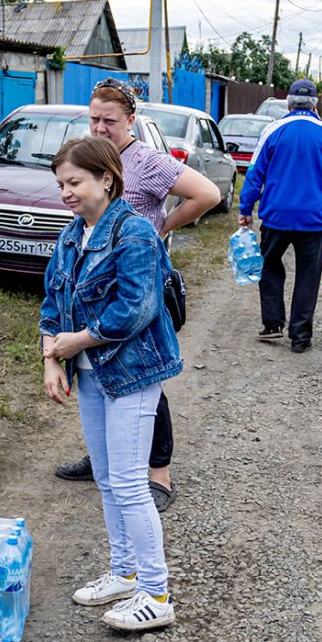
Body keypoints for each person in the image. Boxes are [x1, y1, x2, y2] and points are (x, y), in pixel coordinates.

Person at [55, 78, 220, 512]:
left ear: (131, 120)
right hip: (96, 292)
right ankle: (103, 458)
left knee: (144, 379)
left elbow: (209, 193)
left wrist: (162, 226)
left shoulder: (145, 161)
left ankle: (159, 474)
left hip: (137, 287)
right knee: (99, 376)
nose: (99, 127)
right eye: (93, 118)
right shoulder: (90, 158)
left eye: (109, 120)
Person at [40, 135, 182, 630]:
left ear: (106, 178)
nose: (66, 193)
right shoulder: (72, 234)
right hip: (90, 375)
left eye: (74, 182)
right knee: (106, 480)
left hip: (132, 373)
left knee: (128, 482)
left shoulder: (135, 233)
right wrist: (50, 358)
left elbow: (135, 310)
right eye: (60, 184)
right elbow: (51, 302)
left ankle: (156, 594)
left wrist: (74, 343)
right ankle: (124, 572)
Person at [238, 77, 322, 352]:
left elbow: (255, 174)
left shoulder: (273, 131)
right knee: (307, 275)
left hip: (276, 217)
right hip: (313, 221)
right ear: (316, 104)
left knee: (268, 266)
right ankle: (300, 337)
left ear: (289, 102)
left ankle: (272, 324)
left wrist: (245, 209)